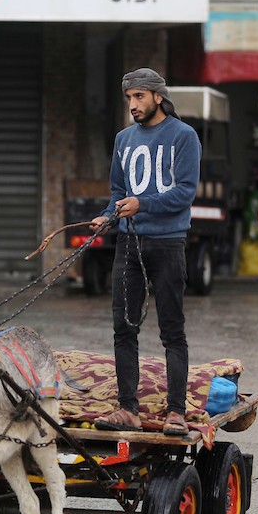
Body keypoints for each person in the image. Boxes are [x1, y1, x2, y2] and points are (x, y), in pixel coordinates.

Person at [90, 67, 201, 437]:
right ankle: (128, 409)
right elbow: (118, 194)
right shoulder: (123, 139)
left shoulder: (184, 136)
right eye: (129, 99)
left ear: (157, 96)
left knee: (172, 330)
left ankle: (176, 412)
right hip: (128, 243)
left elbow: (185, 193)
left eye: (139, 97)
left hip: (168, 243)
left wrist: (143, 204)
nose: (133, 105)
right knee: (124, 327)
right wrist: (107, 217)